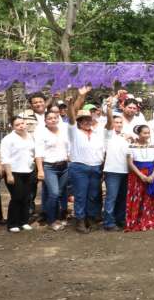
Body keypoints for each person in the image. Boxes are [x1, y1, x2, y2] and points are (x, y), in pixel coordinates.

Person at [67, 87, 108, 233]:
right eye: (83, 120)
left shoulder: (98, 133)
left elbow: (108, 126)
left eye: (88, 119)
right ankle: (80, 220)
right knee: (80, 195)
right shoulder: (74, 132)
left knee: (93, 195)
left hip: (96, 167)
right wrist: (71, 105)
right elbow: (71, 119)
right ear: (79, 121)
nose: (86, 122)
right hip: (79, 167)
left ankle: (91, 218)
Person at [125, 124, 154, 232]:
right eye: (144, 133)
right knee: (138, 197)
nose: (147, 135)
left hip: (152, 174)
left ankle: (153, 219)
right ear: (138, 134)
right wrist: (141, 175)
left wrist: (152, 175)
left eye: (148, 133)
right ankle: (137, 220)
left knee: (151, 197)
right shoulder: (131, 146)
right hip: (138, 175)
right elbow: (130, 163)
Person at [0, 113, 37, 233]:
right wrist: (9, 174)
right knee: (17, 197)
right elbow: (5, 158)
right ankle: (12, 223)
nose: (21, 126)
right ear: (12, 126)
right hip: (14, 172)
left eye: (22, 123)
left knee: (27, 197)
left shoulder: (30, 136)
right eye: (17, 125)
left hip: (29, 170)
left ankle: (24, 221)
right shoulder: (8, 139)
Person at [34, 109, 70, 230]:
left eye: (55, 117)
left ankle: (60, 217)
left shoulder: (64, 130)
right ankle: (51, 220)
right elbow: (38, 153)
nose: (53, 120)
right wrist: (40, 170)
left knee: (60, 193)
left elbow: (68, 147)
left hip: (65, 166)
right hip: (49, 167)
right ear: (45, 121)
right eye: (49, 118)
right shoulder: (42, 133)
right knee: (53, 193)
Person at [102, 113, 131, 231]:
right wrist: (109, 108)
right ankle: (109, 222)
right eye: (116, 122)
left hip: (125, 171)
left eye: (120, 122)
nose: (118, 124)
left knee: (122, 197)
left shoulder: (125, 137)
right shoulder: (108, 135)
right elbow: (108, 124)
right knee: (111, 197)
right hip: (112, 171)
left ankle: (120, 219)